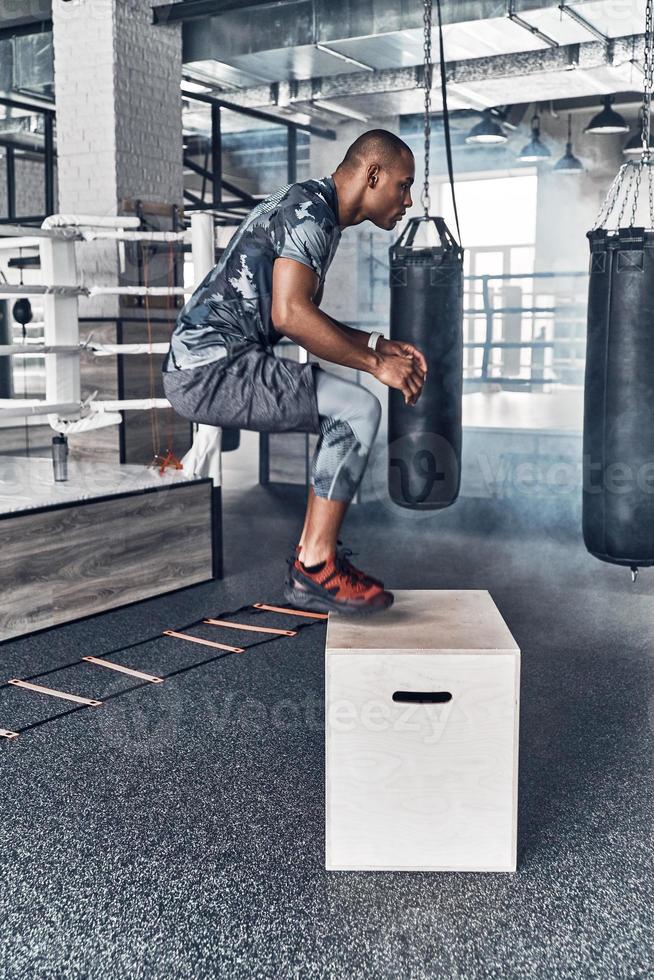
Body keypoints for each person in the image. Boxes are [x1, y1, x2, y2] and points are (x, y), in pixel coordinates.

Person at [162, 129, 427, 615]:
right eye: (403, 185)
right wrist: (375, 365)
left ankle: (313, 560)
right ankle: (316, 566)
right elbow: (291, 316)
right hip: (211, 368)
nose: (408, 200)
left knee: (351, 409)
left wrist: (376, 344)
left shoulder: (312, 205)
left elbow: (297, 313)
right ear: (373, 175)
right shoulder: (312, 215)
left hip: (214, 361)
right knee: (358, 410)